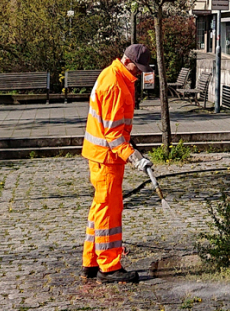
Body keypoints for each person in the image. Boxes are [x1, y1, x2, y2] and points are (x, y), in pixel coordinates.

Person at [82, 43, 153, 284]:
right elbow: (113, 135)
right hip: (106, 157)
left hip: (102, 156)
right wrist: (135, 158)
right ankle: (109, 267)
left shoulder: (115, 75)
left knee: (99, 208)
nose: (139, 73)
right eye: (138, 68)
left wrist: (130, 146)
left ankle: (91, 262)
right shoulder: (114, 84)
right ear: (127, 61)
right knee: (109, 212)